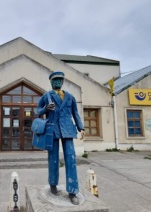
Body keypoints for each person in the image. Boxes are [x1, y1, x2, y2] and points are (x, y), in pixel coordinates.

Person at [37, 71, 85, 205]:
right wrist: (46, 109)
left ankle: (73, 190)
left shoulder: (70, 97)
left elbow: (75, 113)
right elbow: (38, 111)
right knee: (53, 158)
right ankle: (53, 184)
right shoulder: (47, 95)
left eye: (60, 80)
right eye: (55, 81)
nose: (58, 82)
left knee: (71, 158)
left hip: (68, 129)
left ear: (63, 82)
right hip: (52, 129)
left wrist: (81, 127)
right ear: (51, 82)